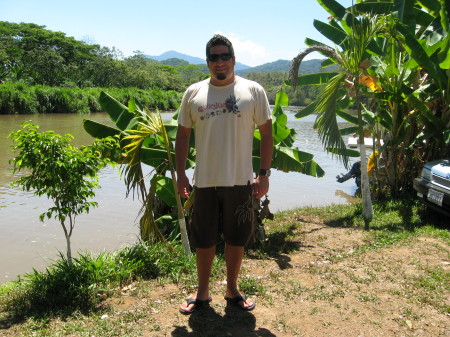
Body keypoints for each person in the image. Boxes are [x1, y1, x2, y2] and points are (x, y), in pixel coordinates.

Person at [175, 34, 273, 315]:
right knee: (203, 238)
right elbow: (182, 136)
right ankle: (202, 292)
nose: (220, 62)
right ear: (207, 62)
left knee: (236, 237)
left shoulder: (253, 91)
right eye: (214, 57)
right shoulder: (193, 93)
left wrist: (263, 174)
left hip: (240, 179)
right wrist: (181, 174)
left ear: (234, 59)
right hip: (204, 180)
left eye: (224, 56)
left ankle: (232, 289)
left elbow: (267, 135)